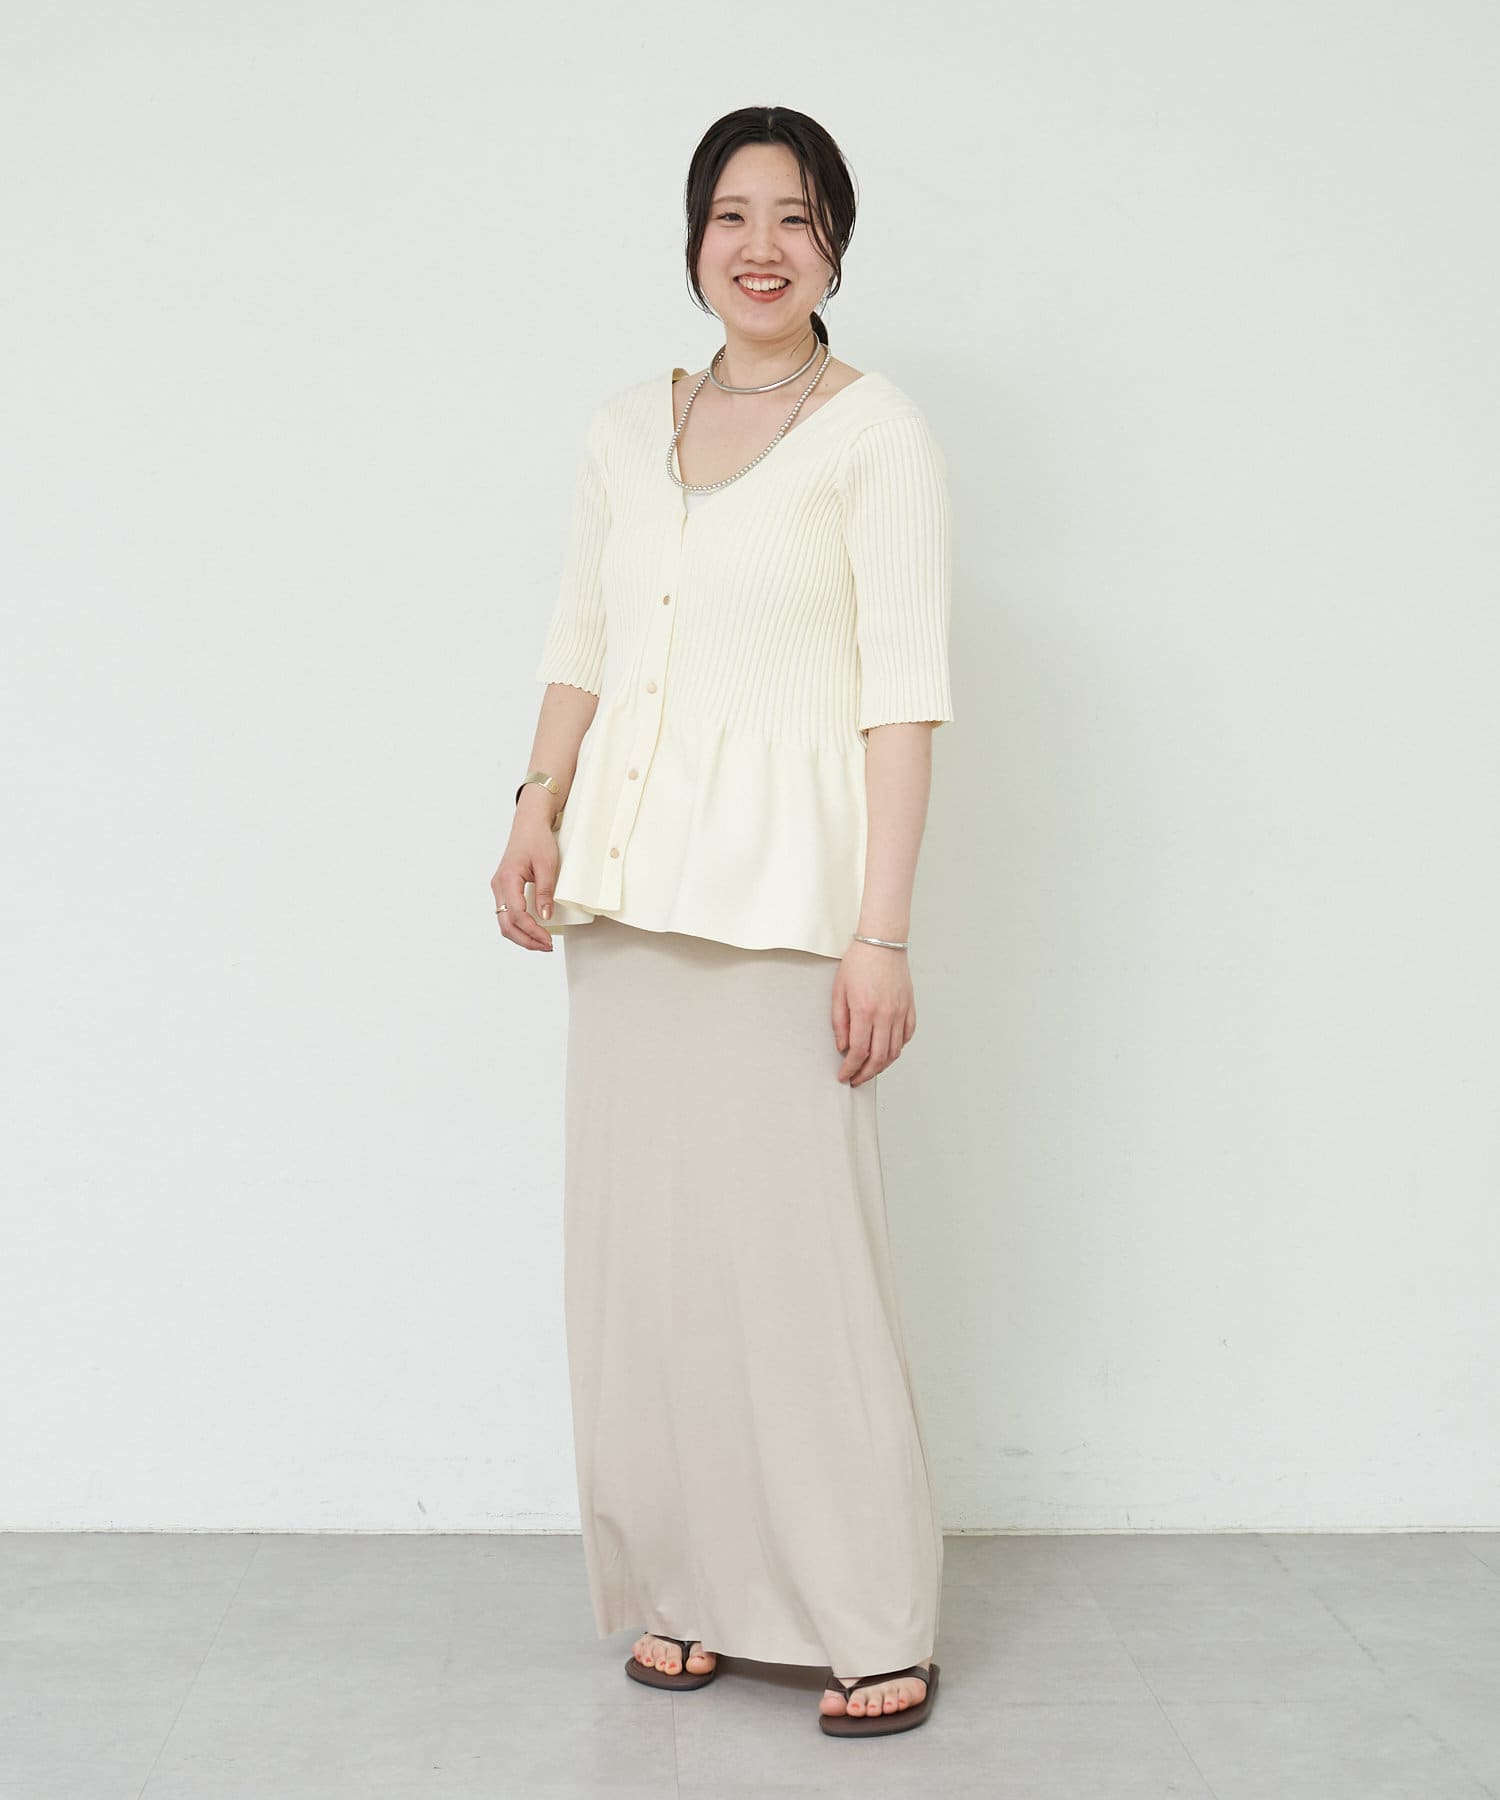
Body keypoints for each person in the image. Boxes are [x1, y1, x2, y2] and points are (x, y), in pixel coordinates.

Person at [492, 105, 953, 1739]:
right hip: (626, 891)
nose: (763, 247)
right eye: (734, 214)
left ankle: (869, 1614)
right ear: (693, 237)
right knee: (651, 1268)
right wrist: (534, 804)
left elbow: (903, 697)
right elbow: (581, 640)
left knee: (799, 1270)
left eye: (798, 217)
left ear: (837, 246)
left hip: (788, 905)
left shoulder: (876, 432)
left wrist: (881, 933)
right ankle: (686, 1591)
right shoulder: (626, 428)